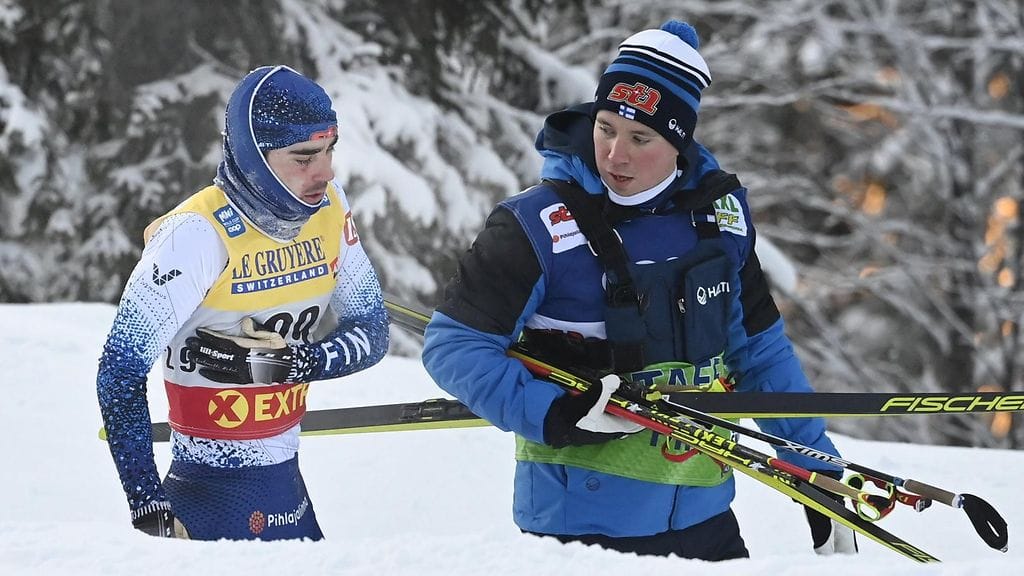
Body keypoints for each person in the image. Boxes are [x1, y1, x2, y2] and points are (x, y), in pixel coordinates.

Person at [422, 21, 856, 560]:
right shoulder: (533, 226)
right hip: (577, 534)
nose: (615, 156)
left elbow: (758, 351)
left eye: (640, 139)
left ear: (678, 143)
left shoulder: (720, 220)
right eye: (605, 128)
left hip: (705, 517)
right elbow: (453, 347)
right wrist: (556, 412)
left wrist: (812, 468)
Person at [96, 65, 389, 541]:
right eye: (303, 157)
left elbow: (372, 329)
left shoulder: (330, 206)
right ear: (255, 157)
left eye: (330, 150)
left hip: (288, 492)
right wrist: (148, 505)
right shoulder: (193, 235)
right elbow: (119, 372)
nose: (325, 170)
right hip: (207, 497)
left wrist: (295, 363)